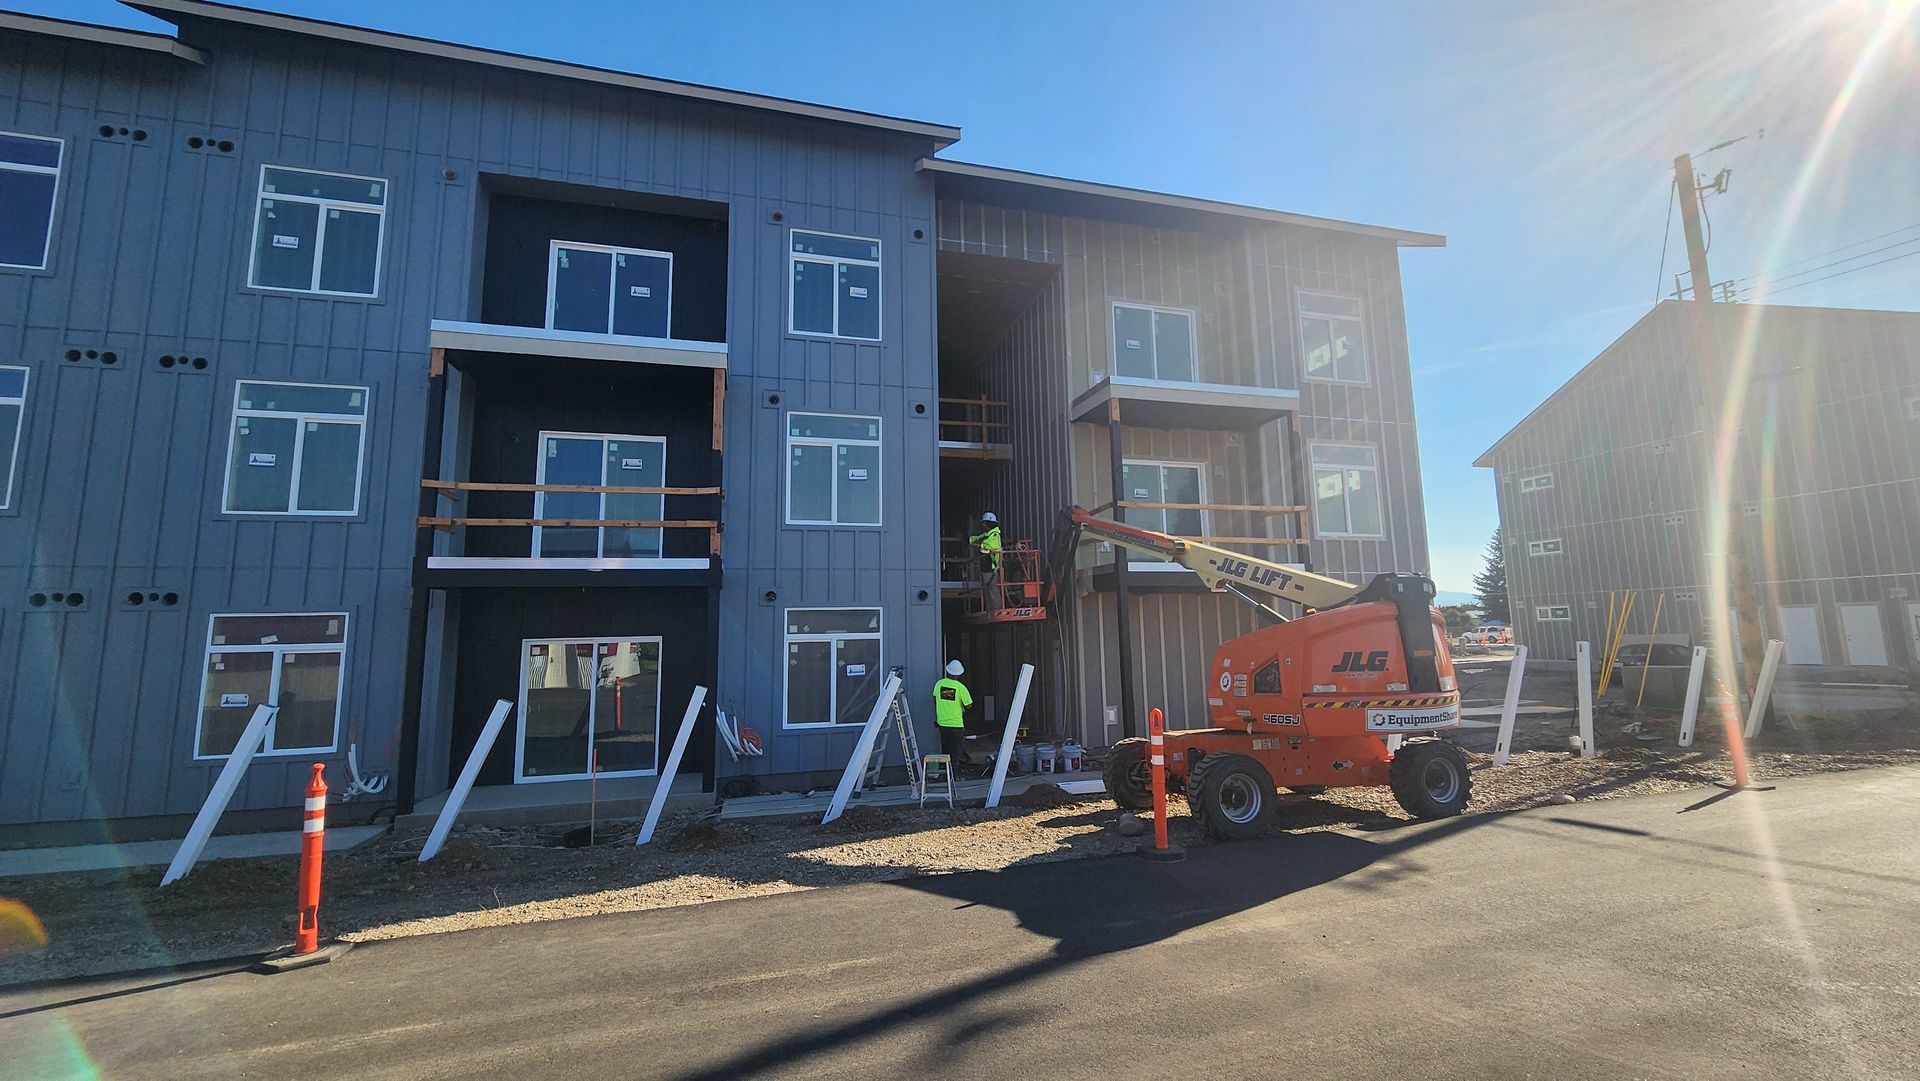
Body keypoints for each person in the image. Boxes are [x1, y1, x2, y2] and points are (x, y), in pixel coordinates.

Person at [932, 659, 974, 764]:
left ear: (947, 671)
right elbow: (969, 705)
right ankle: (953, 776)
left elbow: (934, 700)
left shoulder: (939, 684)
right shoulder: (960, 687)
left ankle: (946, 773)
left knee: (946, 750)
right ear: (959, 674)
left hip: (942, 723)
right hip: (956, 725)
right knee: (955, 752)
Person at [970, 512, 1003, 609]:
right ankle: (990, 609)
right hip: (986, 565)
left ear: (989, 523)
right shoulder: (988, 534)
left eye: (984, 523)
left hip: (991, 566)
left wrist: (980, 543)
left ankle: (996, 609)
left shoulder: (994, 535)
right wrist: (969, 539)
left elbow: (989, 545)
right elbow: (978, 539)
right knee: (988, 589)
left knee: (992, 588)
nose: (982, 525)